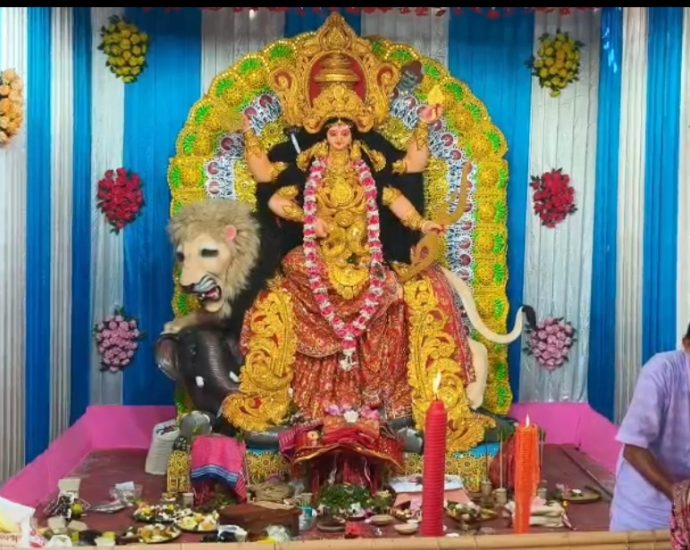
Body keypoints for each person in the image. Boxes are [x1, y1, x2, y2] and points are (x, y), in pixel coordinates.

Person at [609, 323, 690, 531]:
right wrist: (679, 497)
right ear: (686, 345)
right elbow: (633, 449)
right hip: (644, 514)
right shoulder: (662, 370)